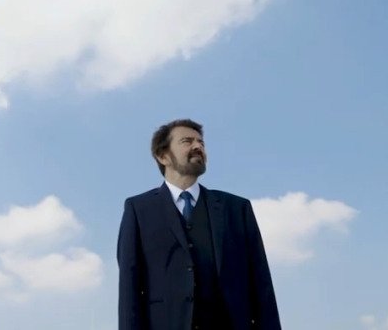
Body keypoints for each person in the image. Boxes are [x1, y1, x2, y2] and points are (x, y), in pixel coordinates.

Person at [117, 119, 281, 330]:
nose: (198, 147)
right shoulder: (138, 209)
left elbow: (261, 284)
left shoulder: (237, 208)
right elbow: (129, 288)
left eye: (201, 142)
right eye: (187, 141)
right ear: (162, 156)